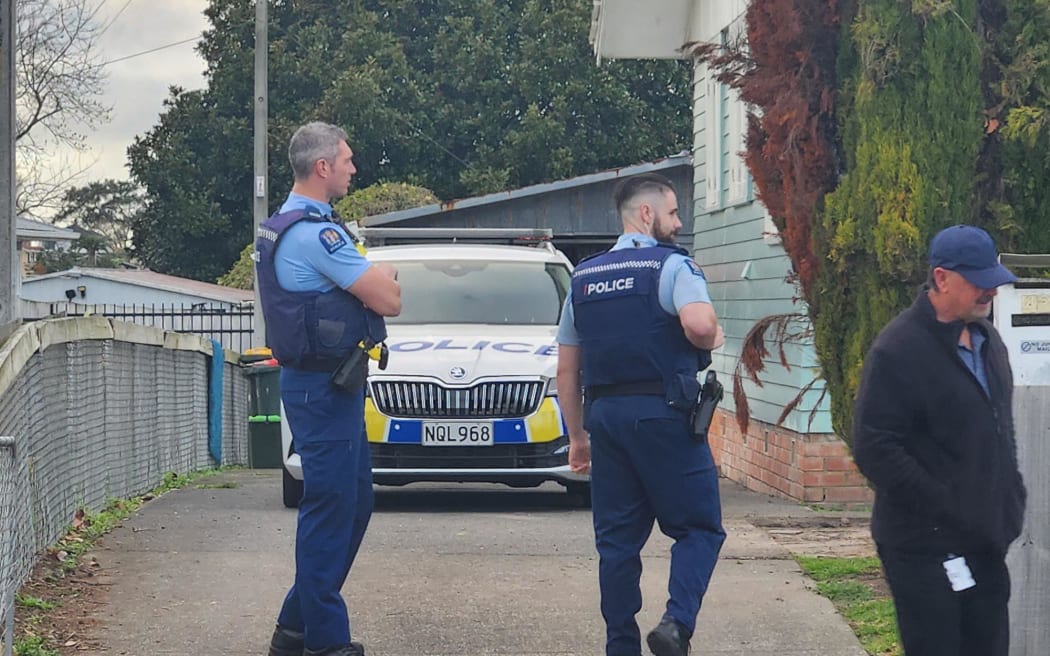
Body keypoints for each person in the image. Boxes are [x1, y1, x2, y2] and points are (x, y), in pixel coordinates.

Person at [556, 173, 726, 656]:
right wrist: (711, 335)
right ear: (647, 214)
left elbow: (567, 370)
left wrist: (577, 437)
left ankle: (620, 645)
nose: (678, 223)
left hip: (606, 418)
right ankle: (675, 624)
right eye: (673, 213)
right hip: (665, 415)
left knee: (616, 543)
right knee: (699, 528)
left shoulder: (583, 278)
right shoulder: (673, 266)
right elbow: (698, 324)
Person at [257, 122, 401, 656]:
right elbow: (387, 300)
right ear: (322, 167)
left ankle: (294, 630)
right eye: (346, 160)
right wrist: (380, 272)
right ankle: (326, 643)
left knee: (354, 504)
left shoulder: (287, 226)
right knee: (332, 509)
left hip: (325, 386)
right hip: (324, 389)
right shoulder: (318, 234)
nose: (352, 168)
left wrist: (370, 276)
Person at [853, 225, 1027, 656]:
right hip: (922, 547)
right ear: (942, 278)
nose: (990, 291)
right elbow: (875, 446)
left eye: (993, 280)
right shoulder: (898, 350)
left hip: (984, 540)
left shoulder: (989, 343)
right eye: (978, 281)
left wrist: (1010, 499)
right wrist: (944, 504)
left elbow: (999, 430)